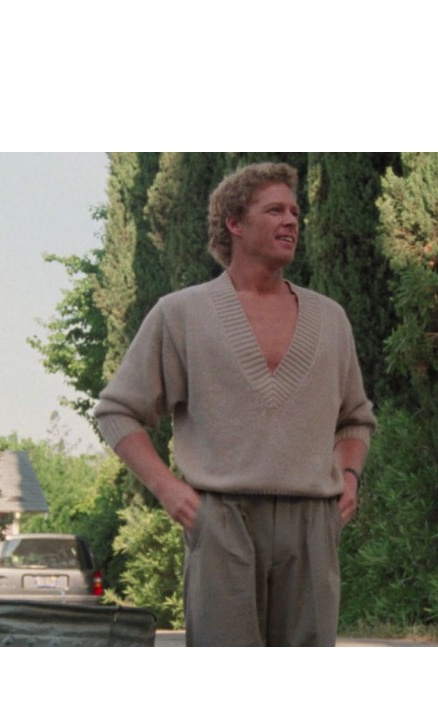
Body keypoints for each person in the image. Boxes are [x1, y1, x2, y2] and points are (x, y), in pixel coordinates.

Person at [94, 162, 376, 646]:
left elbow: (355, 419)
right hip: (221, 522)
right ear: (234, 223)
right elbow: (117, 412)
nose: (291, 221)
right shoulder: (182, 314)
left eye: (295, 212)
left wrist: (349, 477)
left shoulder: (331, 319)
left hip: (312, 524)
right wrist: (167, 489)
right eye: (275, 210)